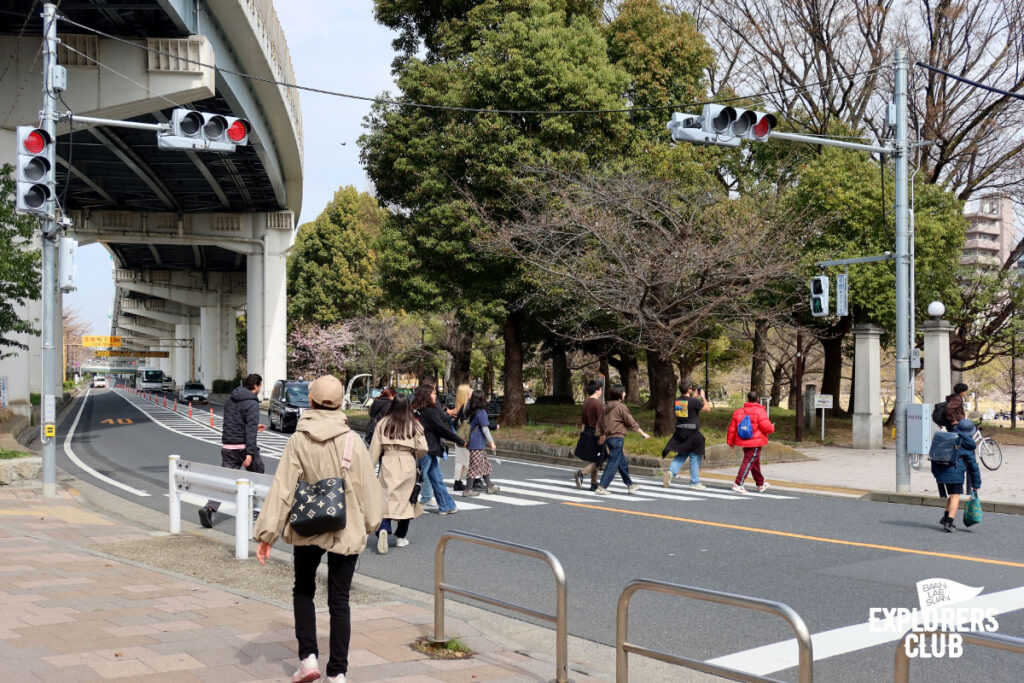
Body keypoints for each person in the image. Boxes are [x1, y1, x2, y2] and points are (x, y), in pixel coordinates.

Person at [254, 374, 382, 683]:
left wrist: (267, 535)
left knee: (303, 589)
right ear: (340, 403)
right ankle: (337, 673)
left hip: (307, 524)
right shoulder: (353, 440)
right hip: (345, 526)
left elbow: (284, 488)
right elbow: (370, 491)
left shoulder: (299, 440)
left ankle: (308, 658)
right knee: (339, 600)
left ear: (310, 401)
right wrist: (369, 524)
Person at [199, 373, 267, 528]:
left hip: (229, 446)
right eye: (260, 386)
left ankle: (209, 508)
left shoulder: (231, 400)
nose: (260, 389)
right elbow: (249, 429)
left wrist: (255, 428)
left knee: (226, 481)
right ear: (256, 386)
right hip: (244, 447)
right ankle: (256, 511)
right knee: (258, 474)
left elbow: (234, 423)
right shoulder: (252, 403)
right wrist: (249, 453)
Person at [370, 394, 428, 553]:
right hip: (407, 462)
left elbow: (375, 449)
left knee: (386, 499)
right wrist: (415, 455)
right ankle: (401, 537)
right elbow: (423, 448)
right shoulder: (414, 424)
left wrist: (370, 468)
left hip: (389, 460)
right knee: (407, 501)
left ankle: (383, 528)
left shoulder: (383, 423)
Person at [411, 384, 465, 514]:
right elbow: (441, 429)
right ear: (427, 396)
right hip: (427, 449)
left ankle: (446, 505)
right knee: (416, 478)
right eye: (433, 394)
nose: (436, 396)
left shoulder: (418, 409)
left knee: (436, 478)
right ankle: (403, 505)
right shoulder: (429, 412)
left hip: (426, 448)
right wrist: (460, 441)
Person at [595, 384, 650, 495]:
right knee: (613, 463)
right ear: (620, 394)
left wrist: (601, 435)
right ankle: (602, 486)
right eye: (624, 392)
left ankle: (630, 485)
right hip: (617, 438)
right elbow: (631, 422)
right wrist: (642, 433)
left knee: (621, 463)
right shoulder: (621, 407)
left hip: (609, 439)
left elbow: (600, 423)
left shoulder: (606, 407)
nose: (625, 394)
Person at [932, 418, 982, 532]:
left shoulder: (947, 438)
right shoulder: (967, 444)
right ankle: (949, 522)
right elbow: (973, 467)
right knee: (955, 496)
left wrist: (936, 474)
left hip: (941, 471)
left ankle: (945, 517)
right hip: (955, 473)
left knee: (952, 495)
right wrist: (976, 484)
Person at [661, 379, 710, 489]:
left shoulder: (677, 401)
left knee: (682, 454)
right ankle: (694, 482)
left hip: (680, 431)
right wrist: (702, 397)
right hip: (692, 433)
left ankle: (671, 472)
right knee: (695, 455)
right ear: (689, 389)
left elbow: (688, 405)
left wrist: (694, 397)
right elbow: (707, 409)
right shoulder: (694, 402)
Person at [727, 390, 776, 493]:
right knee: (749, 462)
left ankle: (760, 484)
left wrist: (730, 442)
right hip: (755, 442)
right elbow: (767, 428)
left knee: (754, 462)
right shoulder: (760, 412)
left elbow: (732, 429)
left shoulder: (738, 412)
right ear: (758, 399)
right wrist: (772, 428)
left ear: (747, 399)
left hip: (744, 440)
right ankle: (738, 483)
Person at [463, 389, 499, 496]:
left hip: (476, 443)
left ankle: (489, 486)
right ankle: (468, 490)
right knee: (474, 466)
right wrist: (492, 442)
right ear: (482, 399)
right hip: (477, 444)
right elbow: (485, 429)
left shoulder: (472, 411)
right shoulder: (482, 413)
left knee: (485, 465)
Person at [573, 379, 605, 491]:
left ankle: (594, 483)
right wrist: (604, 435)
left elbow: (583, 422)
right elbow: (602, 422)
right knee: (600, 459)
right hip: (596, 434)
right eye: (600, 389)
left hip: (587, 432)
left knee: (593, 458)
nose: (601, 391)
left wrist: (582, 434)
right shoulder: (597, 404)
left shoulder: (586, 403)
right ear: (597, 390)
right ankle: (581, 473)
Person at [450, 384, 474, 491]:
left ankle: (458, 481)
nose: (471, 391)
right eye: (469, 390)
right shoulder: (466, 407)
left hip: (458, 437)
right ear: (465, 394)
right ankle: (461, 481)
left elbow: (454, 424)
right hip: (464, 438)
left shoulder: (459, 408)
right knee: (467, 461)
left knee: (461, 461)